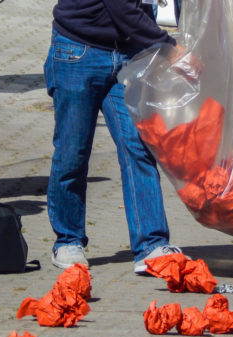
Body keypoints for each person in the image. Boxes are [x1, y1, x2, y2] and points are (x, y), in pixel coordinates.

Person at [45, 0, 196, 272]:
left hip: (129, 54)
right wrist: (170, 48)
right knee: (72, 152)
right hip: (78, 50)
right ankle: (68, 240)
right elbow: (121, 7)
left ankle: (150, 245)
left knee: (138, 148)